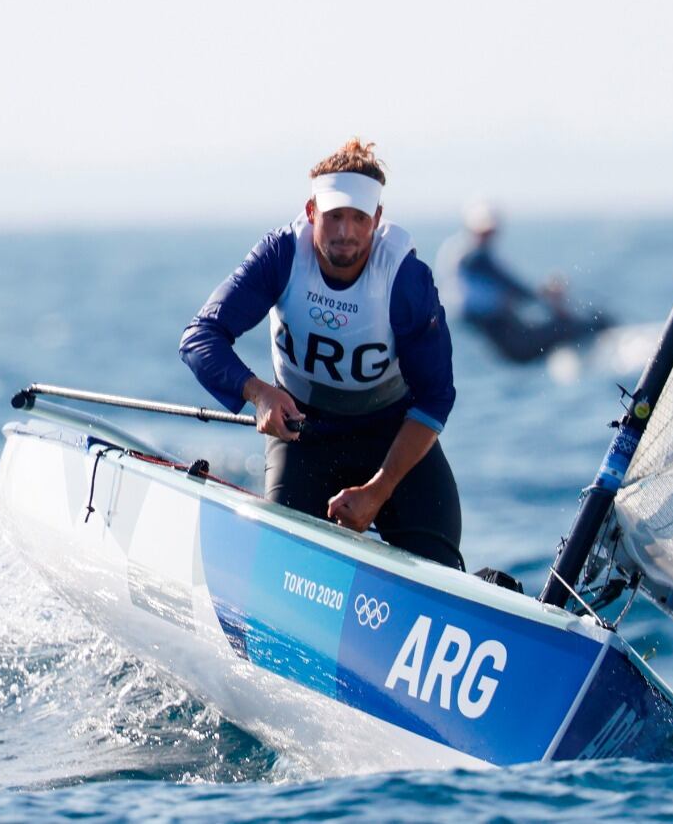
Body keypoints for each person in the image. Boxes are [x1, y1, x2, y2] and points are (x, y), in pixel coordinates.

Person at [179, 139, 462, 569]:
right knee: (279, 565)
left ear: (377, 220)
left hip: (393, 440)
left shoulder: (404, 278)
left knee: (442, 571)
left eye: (358, 218)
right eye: (333, 217)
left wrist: (379, 490)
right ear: (312, 213)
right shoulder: (281, 255)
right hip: (303, 438)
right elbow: (200, 337)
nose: (346, 232)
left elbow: (436, 396)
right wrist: (259, 394)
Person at [436, 202, 612, 362]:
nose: (488, 236)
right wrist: (546, 294)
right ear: (471, 229)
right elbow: (513, 286)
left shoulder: (459, 252)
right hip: (504, 337)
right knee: (567, 326)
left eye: (490, 231)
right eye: (483, 232)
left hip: (499, 328)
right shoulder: (474, 257)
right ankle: (602, 330)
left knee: (554, 324)